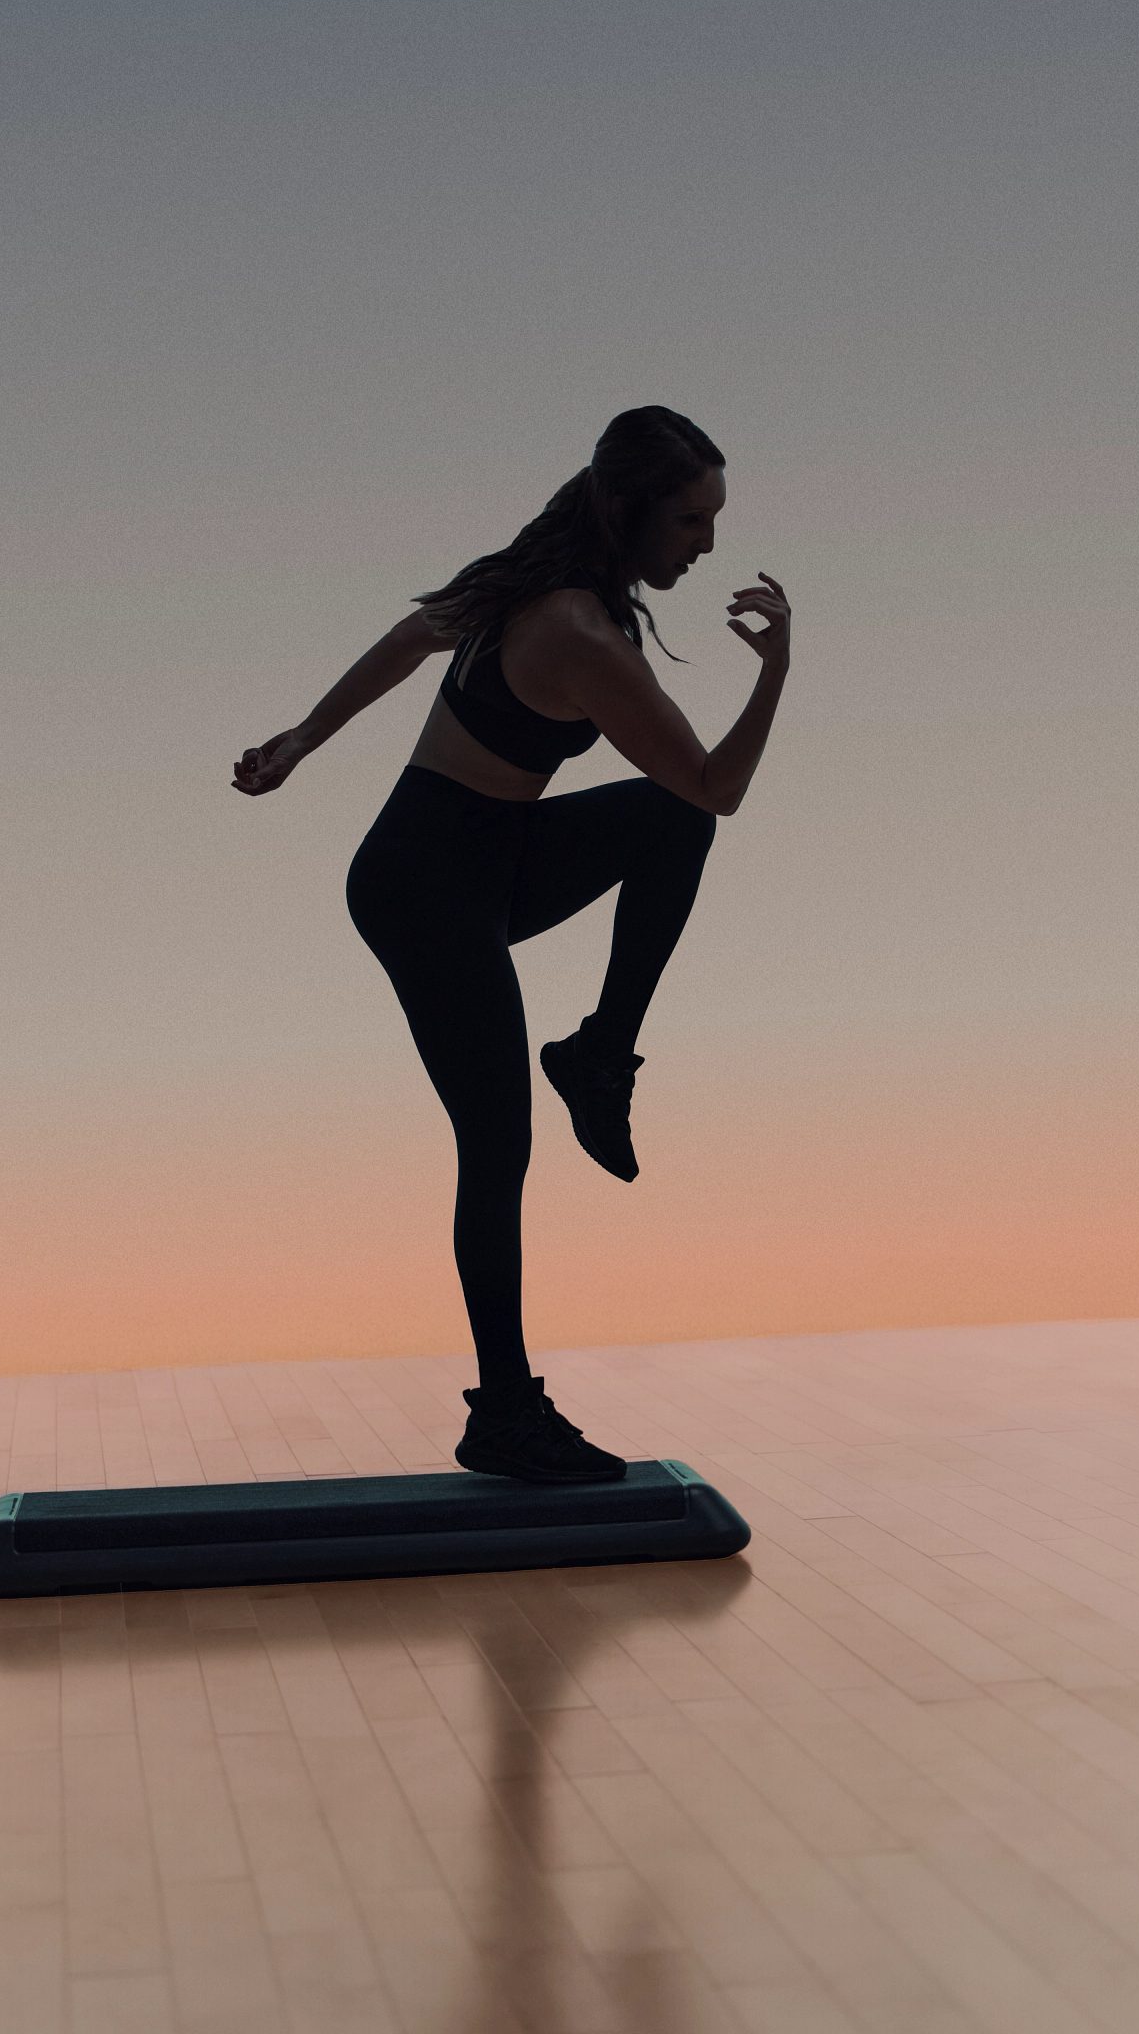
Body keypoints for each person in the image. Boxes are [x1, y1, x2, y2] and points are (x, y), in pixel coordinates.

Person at [232, 406, 792, 1484]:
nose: (706, 543)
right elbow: (719, 785)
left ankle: (598, 1053)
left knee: (662, 822)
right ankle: (504, 1410)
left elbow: (410, 638)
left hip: (496, 856)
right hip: (423, 888)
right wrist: (775, 671)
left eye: (713, 517)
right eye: (690, 520)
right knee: (498, 1147)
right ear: (628, 511)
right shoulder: (576, 632)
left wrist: (302, 740)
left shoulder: (530, 575)